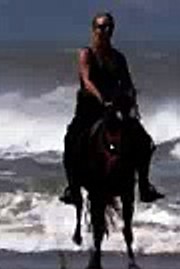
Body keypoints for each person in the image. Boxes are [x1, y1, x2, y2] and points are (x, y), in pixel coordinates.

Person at [58, 12, 165, 206]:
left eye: (108, 27)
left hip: (114, 107)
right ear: (94, 30)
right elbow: (87, 80)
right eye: (101, 27)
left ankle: (144, 185)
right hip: (90, 108)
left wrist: (131, 99)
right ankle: (72, 188)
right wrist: (101, 99)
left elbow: (127, 82)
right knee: (71, 140)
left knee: (145, 142)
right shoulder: (86, 54)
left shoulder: (118, 57)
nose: (105, 31)